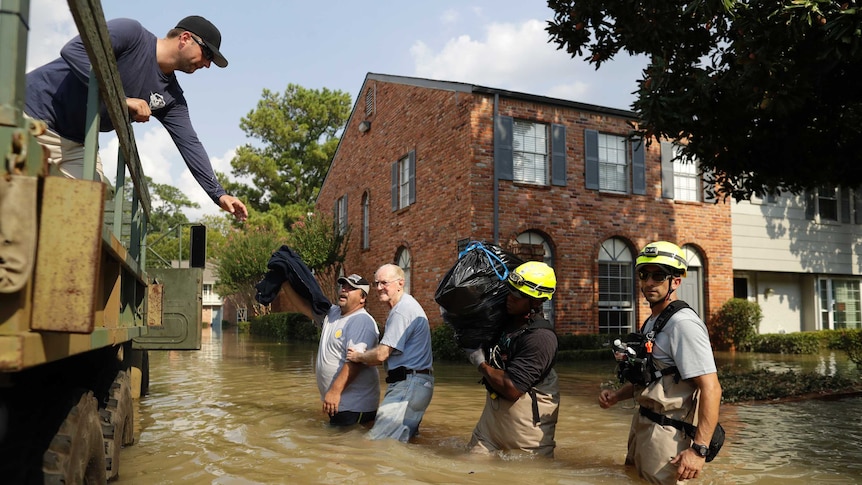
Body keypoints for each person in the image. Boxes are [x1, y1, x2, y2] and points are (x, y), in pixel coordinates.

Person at [25, 15, 247, 221]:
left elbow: (190, 143)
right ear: (186, 38)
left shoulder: (172, 98)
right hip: (34, 114)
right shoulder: (131, 34)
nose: (207, 64)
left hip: (78, 143)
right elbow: (74, 51)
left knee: (91, 202)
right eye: (207, 54)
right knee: (17, 193)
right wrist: (120, 99)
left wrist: (219, 194)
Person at [598, 241, 722, 484]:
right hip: (643, 424)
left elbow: (711, 388)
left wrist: (699, 450)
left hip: (668, 434)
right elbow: (653, 378)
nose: (648, 282)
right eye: (644, 274)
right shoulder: (653, 321)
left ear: (675, 281)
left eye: (658, 275)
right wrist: (616, 396)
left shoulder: (683, 324)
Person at [465, 261, 560, 458]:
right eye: (509, 291)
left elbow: (512, 388)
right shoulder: (507, 321)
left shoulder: (541, 338)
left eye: (517, 295)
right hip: (490, 425)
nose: (509, 298)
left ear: (536, 301)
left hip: (526, 437)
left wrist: (480, 364)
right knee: (467, 471)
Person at [346, 264, 434, 442]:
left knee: (376, 444)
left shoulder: (402, 311)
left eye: (384, 283)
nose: (378, 288)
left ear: (400, 283)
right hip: (415, 385)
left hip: (408, 385)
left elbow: (381, 355)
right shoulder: (406, 306)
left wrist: (358, 356)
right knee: (402, 445)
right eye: (376, 283)